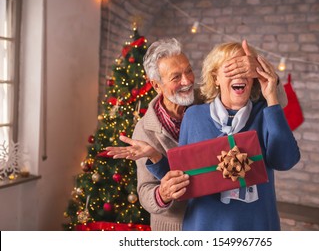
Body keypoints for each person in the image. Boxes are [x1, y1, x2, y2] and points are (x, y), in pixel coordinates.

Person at [106, 38, 288, 231]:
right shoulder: (144, 130)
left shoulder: (208, 98)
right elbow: (145, 190)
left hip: (215, 218)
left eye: (189, 71)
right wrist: (163, 193)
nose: (187, 81)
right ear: (156, 85)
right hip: (176, 225)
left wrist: (259, 70)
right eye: (176, 77)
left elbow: (271, 100)